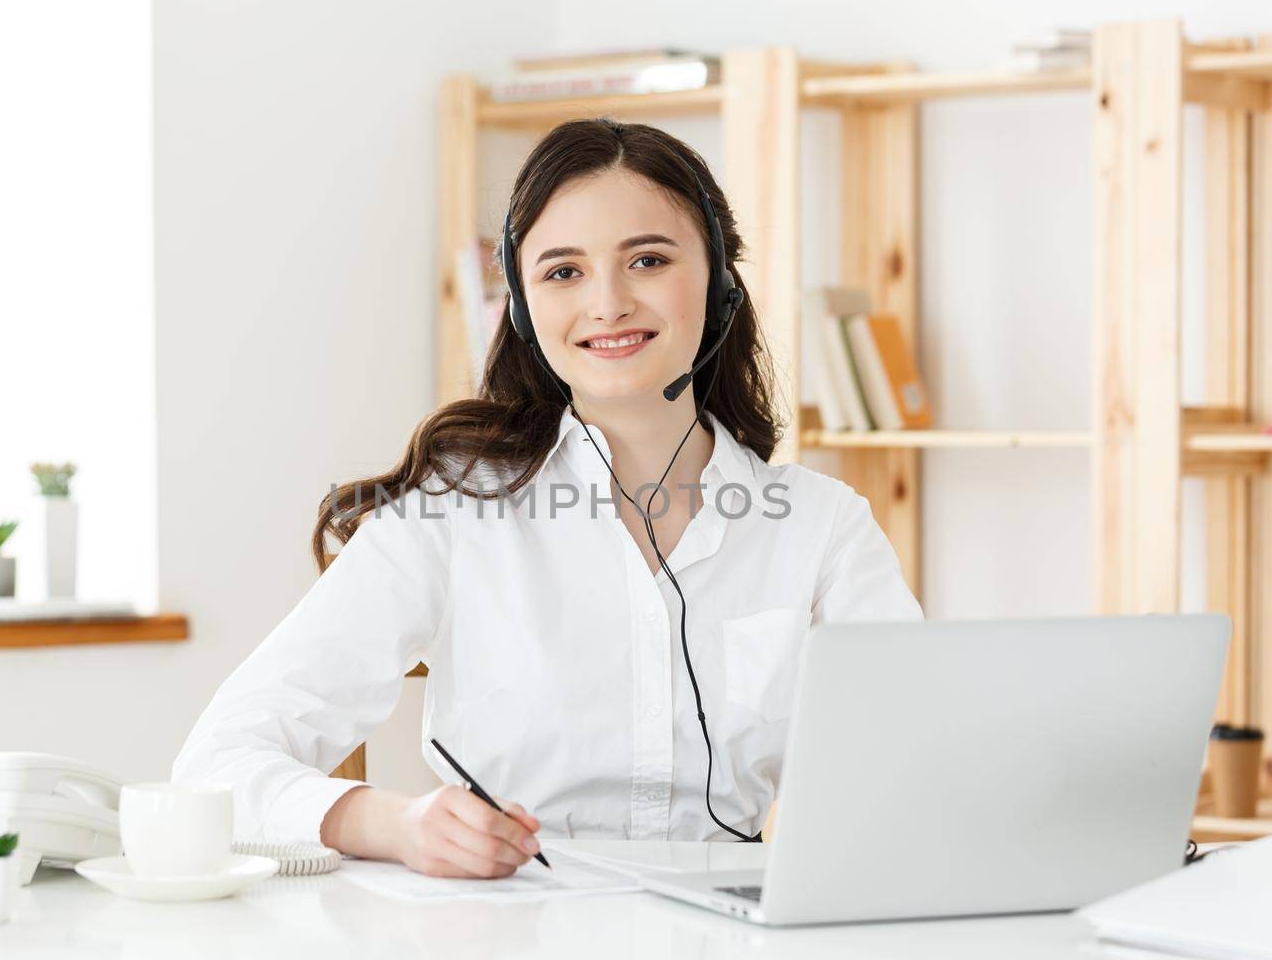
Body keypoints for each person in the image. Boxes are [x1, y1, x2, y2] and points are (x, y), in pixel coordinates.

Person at [172, 119, 922, 879]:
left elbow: (920, 773)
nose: (608, 304)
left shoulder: (821, 526)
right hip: (506, 944)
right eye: (564, 272)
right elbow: (214, 764)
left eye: (649, 260)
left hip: (733, 949)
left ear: (720, 280)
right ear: (525, 308)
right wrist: (398, 823)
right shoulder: (453, 513)